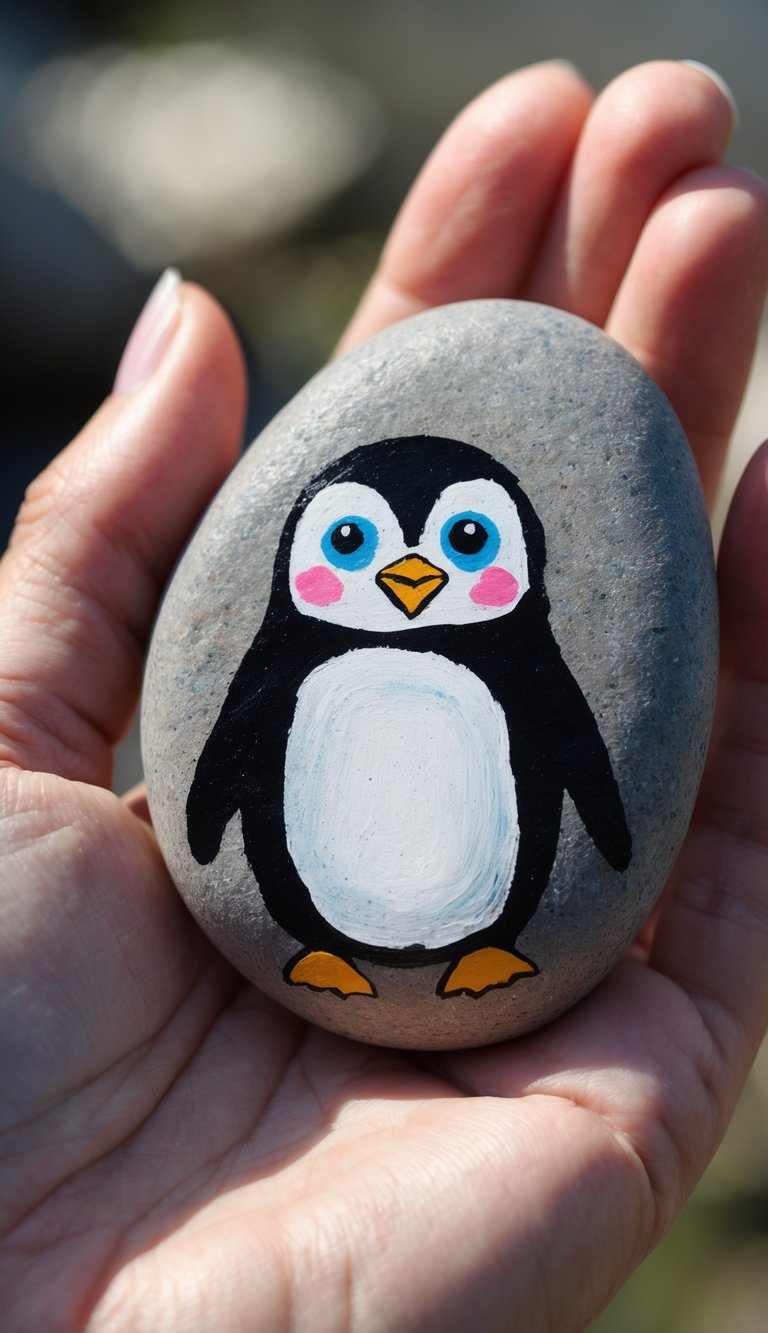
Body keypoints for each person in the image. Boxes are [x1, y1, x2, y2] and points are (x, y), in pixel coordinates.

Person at [1, 59, 767, 1332]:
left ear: (513, 551)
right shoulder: (287, 659)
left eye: (461, 545)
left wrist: (603, 853)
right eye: (360, 545)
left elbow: (571, 756)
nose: (411, 571)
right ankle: (337, 937)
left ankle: (480, 946)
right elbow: (238, 768)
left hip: (484, 946)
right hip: (293, 949)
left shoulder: (519, 666)